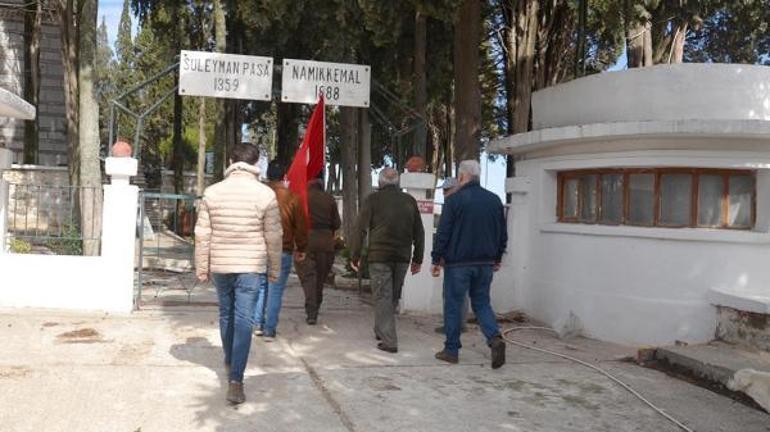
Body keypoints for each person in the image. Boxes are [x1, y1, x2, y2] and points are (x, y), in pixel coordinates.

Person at [195, 143, 283, 404]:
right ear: (256, 164)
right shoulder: (265, 194)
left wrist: (202, 267)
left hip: (221, 264)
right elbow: (274, 236)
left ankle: (229, 359)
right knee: (244, 318)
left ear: (231, 160)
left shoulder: (212, 192)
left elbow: (202, 234)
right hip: (251, 266)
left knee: (226, 312)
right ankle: (236, 379)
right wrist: (275, 269)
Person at [431, 160, 508, 369]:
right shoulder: (494, 200)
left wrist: (436, 259)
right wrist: (498, 257)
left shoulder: (454, 201)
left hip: (458, 264)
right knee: (482, 303)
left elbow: (443, 232)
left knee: (454, 305)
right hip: (485, 263)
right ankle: (494, 338)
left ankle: (451, 350)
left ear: (462, 177)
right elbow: (502, 233)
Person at [350, 168, 424, 353]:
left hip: (379, 256)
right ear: (397, 182)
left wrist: (355, 255)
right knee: (392, 295)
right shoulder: (409, 201)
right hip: (402, 257)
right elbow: (419, 232)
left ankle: (390, 341)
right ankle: (380, 329)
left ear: (381, 182)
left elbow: (360, 229)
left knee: (383, 296)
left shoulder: (373, 200)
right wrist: (418, 259)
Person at [252, 159, 308, 341]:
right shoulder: (292, 197)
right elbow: (300, 226)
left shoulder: (258, 195)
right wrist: (301, 248)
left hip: (259, 248)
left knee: (260, 287)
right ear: (285, 176)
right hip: (282, 249)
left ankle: (257, 325)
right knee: (275, 290)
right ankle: (269, 330)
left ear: (267, 174)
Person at [295, 173, 341, 325]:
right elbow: (337, 223)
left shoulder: (302, 198)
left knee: (308, 278)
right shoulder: (329, 199)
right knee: (320, 278)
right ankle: (316, 305)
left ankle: (311, 311)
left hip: (306, 241)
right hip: (326, 242)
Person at [433, 177, 469, 335]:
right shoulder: (470, 204)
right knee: (464, 293)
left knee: (450, 294)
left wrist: (437, 256)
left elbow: (443, 233)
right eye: (443, 190)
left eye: (447, 190)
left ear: (456, 189)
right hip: (471, 257)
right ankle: (461, 324)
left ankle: (452, 326)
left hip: (454, 258)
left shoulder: (451, 205)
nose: (444, 193)